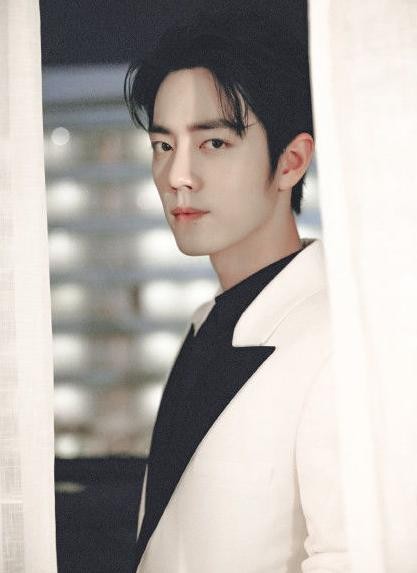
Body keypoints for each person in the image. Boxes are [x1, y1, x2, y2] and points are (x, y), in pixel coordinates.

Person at [124, 5, 350, 572]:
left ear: (291, 162)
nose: (178, 176)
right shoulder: (208, 322)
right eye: (163, 145)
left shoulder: (340, 341)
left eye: (214, 143)